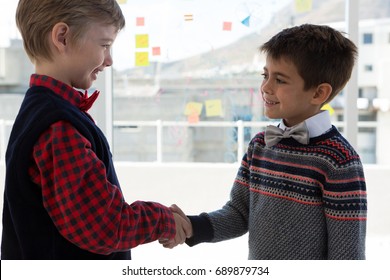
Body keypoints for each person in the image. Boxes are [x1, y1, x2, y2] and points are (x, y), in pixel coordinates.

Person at [1, 0, 191, 260]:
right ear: (62, 37)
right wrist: (162, 220)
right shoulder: (59, 127)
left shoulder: (41, 110)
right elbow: (105, 226)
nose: (110, 60)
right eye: (105, 45)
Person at [162, 24, 367, 260]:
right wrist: (192, 226)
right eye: (265, 75)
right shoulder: (260, 145)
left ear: (318, 93)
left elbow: (348, 255)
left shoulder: (339, 161)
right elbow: (239, 214)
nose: (266, 87)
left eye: (280, 80)